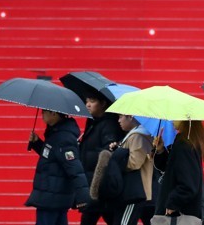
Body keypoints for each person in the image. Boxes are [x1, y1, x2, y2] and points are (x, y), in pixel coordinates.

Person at [25, 109, 90, 225]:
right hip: (53, 195)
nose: (42, 114)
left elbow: (74, 168)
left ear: (54, 114)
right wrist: (37, 143)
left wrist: (83, 196)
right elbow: (53, 157)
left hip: (52, 197)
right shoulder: (55, 133)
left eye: (44, 111)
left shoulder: (63, 137)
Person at [153, 120, 204, 225]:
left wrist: (172, 203)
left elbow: (188, 184)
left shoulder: (184, 144)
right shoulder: (187, 141)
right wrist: (160, 150)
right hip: (186, 211)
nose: (172, 120)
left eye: (176, 117)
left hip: (181, 213)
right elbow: (172, 169)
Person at [79, 93, 125, 225]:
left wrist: (85, 154)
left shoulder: (109, 124)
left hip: (102, 185)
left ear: (103, 103)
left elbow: (108, 152)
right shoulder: (93, 123)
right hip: (94, 183)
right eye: (86, 100)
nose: (87, 104)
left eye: (92, 101)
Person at [108, 115, 154, 225]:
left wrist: (117, 159)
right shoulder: (134, 134)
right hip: (136, 191)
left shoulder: (138, 136)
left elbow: (134, 163)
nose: (118, 120)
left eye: (120, 117)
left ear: (130, 117)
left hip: (134, 192)